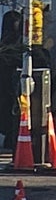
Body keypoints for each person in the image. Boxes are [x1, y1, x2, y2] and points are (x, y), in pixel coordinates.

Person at [0, 9, 22, 153]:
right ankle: (11, 139)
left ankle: (9, 138)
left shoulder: (3, 43)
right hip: (12, 84)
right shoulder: (17, 44)